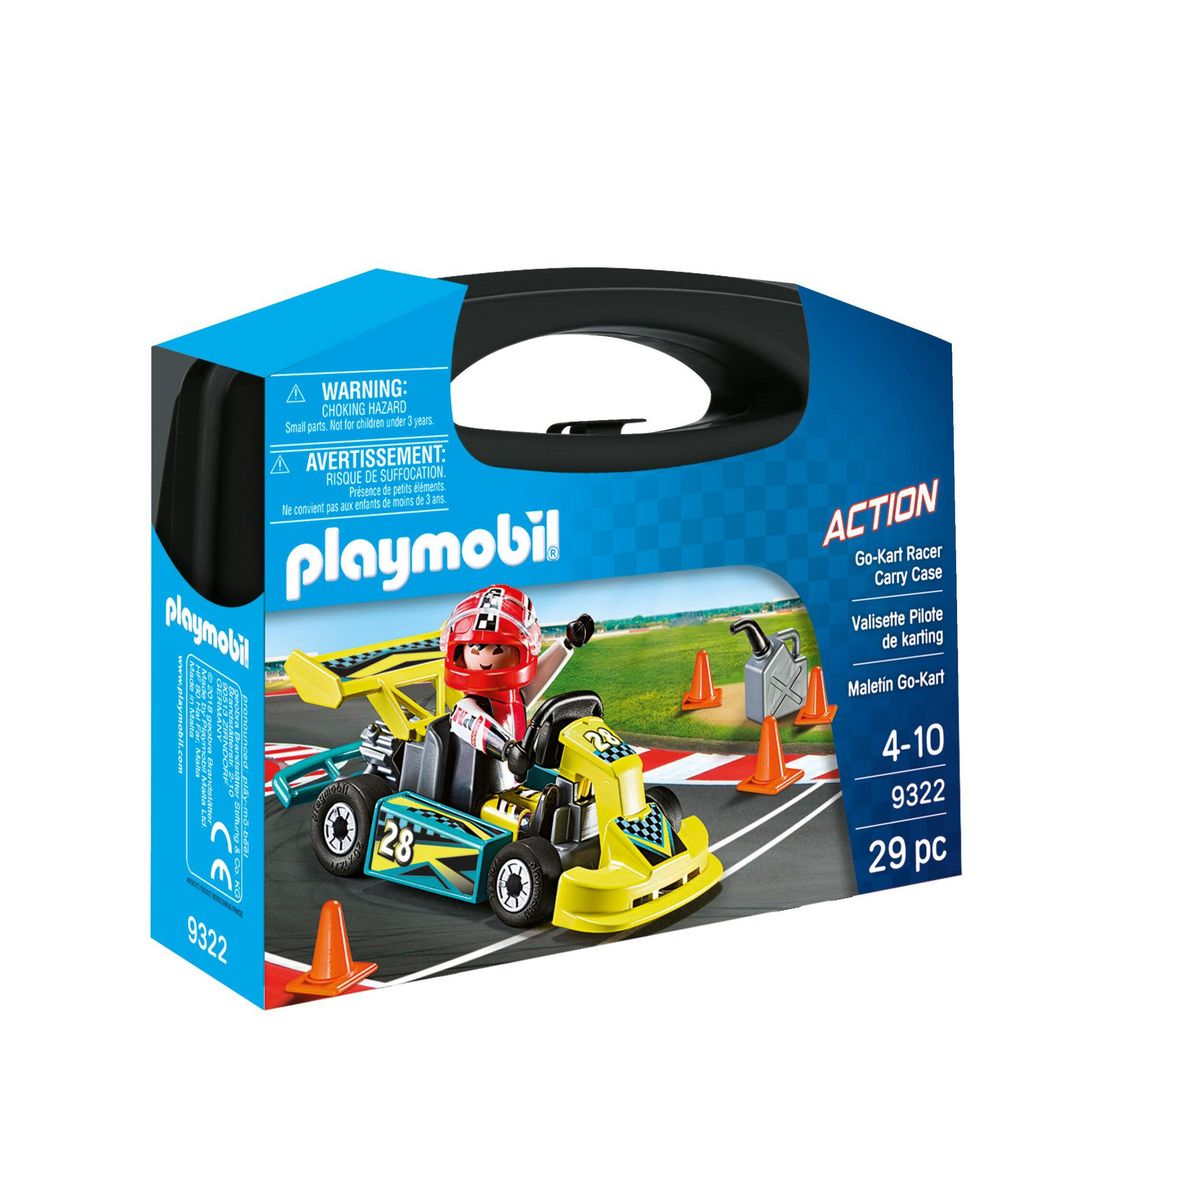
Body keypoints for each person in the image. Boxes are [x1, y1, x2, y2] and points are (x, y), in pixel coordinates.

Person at [441, 584, 593, 833]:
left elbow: (541, 675)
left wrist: (568, 643)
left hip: (513, 780)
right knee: (526, 822)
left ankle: (570, 818)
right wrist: (508, 749)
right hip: (475, 796)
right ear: (460, 652)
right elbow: (479, 726)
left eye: (498, 650)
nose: (486, 657)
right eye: (476, 649)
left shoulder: (514, 696)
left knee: (548, 803)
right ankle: (536, 829)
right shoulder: (465, 708)